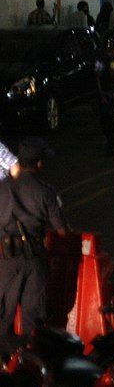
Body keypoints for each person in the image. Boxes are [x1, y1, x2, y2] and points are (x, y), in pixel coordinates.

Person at [0, 137, 67, 355]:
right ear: (39, 163)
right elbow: (62, 231)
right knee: (32, 316)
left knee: (4, 313)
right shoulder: (46, 191)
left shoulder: (3, 189)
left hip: (7, 261)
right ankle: (30, 361)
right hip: (35, 260)